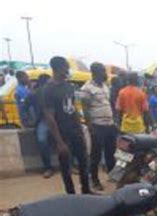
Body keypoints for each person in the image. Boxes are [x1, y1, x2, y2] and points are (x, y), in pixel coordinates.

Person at [43, 56, 91, 194]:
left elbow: (73, 109)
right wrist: (59, 141)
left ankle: (86, 190)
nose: (67, 70)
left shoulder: (69, 86)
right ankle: (71, 195)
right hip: (62, 133)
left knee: (83, 162)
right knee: (65, 167)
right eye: (66, 67)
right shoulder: (48, 89)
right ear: (58, 68)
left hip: (75, 130)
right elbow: (49, 117)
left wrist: (80, 129)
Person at [81, 62, 117, 191]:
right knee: (95, 155)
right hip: (97, 126)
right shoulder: (87, 88)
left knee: (111, 153)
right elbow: (84, 109)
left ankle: (112, 176)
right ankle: (94, 180)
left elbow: (108, 104)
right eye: (103, 71)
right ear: (95, 72)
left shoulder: (105, 86)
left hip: (109, 125)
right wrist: (90, 127)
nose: (105, 74)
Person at [31, 74, 54, 178]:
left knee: (67, 138)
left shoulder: (53, 91)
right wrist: (28, 120)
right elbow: (25, 105)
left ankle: (70, 165)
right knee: (42, 140)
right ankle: (48, 167)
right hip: (43, 120)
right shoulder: (35, 93)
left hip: (56, 119)